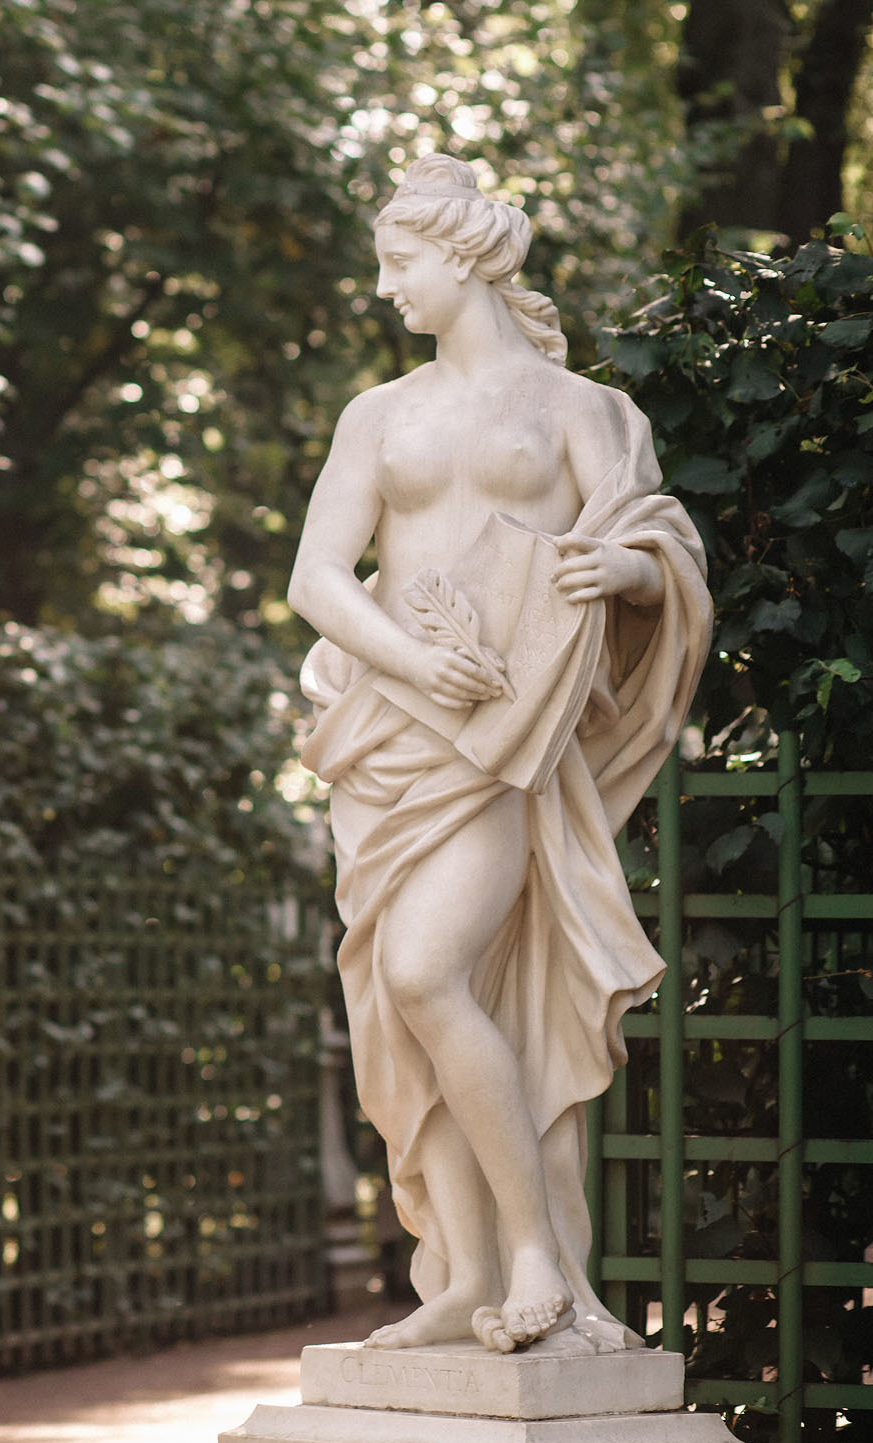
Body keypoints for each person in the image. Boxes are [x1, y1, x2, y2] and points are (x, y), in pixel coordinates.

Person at [286, 155, 708, 1354]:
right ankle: (466, 1273)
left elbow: (657, 549)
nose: (385, 286)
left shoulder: (580, 412)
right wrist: (413, 665)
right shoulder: (380, 414)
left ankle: (536, 1258)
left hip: (503, 742)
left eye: (400, 262)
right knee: (395, 998)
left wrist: (623, 572)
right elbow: (318, 576)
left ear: (462, 258)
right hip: (394, 733)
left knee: (425, 972)